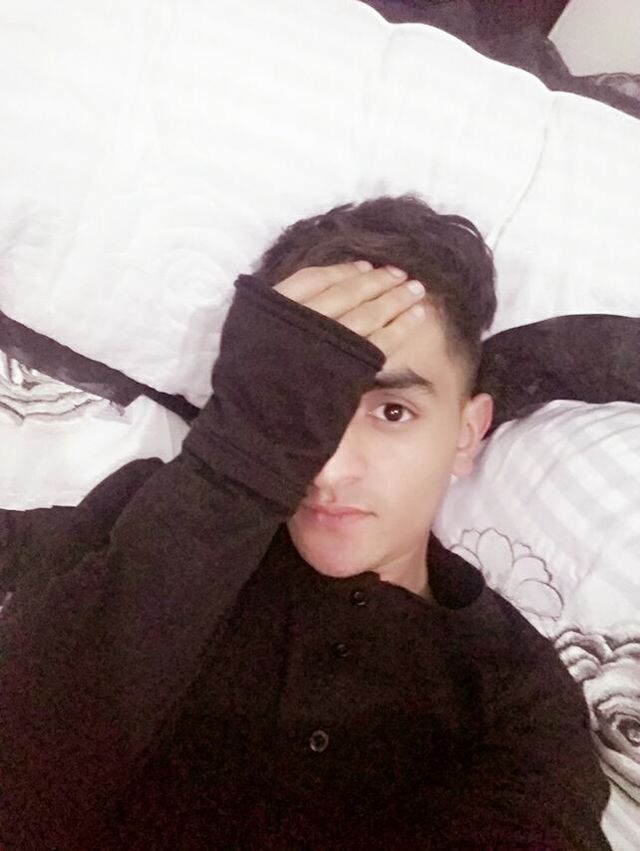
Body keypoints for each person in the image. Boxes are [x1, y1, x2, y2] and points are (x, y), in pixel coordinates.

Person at [0, 195, 611, 850]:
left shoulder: (518, 691)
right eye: (298, 404)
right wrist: (239, 461)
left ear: (466, 434)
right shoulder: (160, 507)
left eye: (392, 412)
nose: (329, 469)